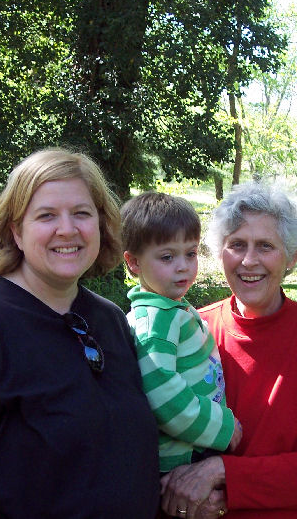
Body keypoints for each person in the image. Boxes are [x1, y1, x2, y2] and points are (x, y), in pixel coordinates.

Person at [0, 148, 160, 518]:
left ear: (101, 225)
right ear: (16, 231)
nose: (67, 229)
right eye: (46, 215)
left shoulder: (110, 321)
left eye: (82, 213)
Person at [159, 181, 297, 519]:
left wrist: (222, 472)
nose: (249, 260)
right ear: (220, 252)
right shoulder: (189, 331)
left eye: (265, 246)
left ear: (292, 256)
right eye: (237, 245)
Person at [120, 192, 243, 477]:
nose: (183, 266)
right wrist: (222, 428)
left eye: (191, 253)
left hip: (196, 442)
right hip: (183, 456)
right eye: (167, 257)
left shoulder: (171, 308)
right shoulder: (155, 323)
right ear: (134, 262)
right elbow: (163, 397)